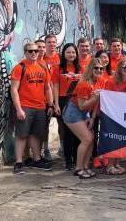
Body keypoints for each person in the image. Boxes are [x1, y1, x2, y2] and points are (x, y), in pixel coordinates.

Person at [10, 42, 54, 174]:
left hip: (40, 107)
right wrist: (18, 109)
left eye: (36, 51)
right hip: (25, 106)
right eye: (30, 51)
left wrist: (50, 104)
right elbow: (14, 89)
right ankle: (18, 162)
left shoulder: (43, 67)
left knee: (36, 135)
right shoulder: (20, 68)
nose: (34, 53)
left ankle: (36, 159)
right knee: (22, 135)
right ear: (25, 53)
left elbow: (47, 88)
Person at [65, 58, 106, 179]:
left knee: (91, 138)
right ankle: (78, 168)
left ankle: (86, 166)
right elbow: (82, 106)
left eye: (101, 68)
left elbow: (97, 101)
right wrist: (94, 98)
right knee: (87, 139)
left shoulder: (101, 81)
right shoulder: (84, 84)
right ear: (90, 69)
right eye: (96, 68)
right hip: (73, 112)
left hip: (85, 113)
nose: (99, 70)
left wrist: (92, 118)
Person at [104, 57, 126, 174]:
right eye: (124, 67)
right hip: (113, 116)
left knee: (121, 140)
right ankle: (109, 166)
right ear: (119, 68)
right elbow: (107, 99)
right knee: (113, 139)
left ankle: (117, 163)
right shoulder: (111, 82)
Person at [52, 43, 81, 171]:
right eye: (68, 52)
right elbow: (55, 86)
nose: (71, 55)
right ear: (64, 53)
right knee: (67, 132)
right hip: (64, 101)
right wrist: (56, 104)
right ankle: (68, 160)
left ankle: (77, 158)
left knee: (78, 133)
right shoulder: (58, 68)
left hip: (78, 101)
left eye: (73, 52)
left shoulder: (80, 68)